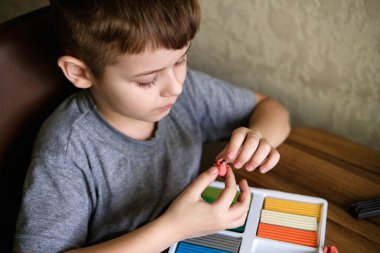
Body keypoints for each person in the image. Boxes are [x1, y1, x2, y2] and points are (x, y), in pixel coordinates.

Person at [13, 0, 291, 252]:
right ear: (81, 73)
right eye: (147, 80)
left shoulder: (187, 91)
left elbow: (270, 107)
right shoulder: (66, 152)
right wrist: (174, 228)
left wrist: (259, 136)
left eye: (180, 60)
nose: (176, 87)